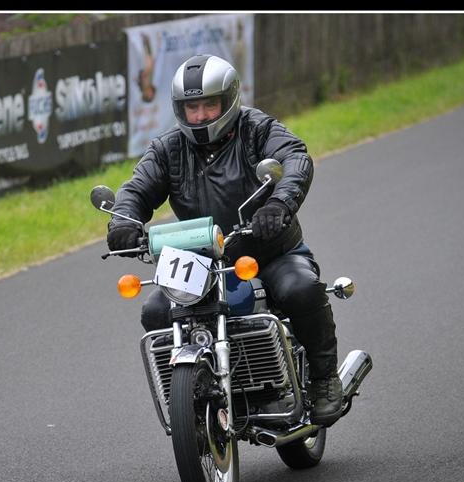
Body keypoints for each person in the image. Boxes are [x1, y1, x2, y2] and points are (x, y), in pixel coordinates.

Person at [106, 54, 341, 426]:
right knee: (155, 311)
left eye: (208, 105)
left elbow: (294, 158)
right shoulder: (168, 149)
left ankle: (325, 378)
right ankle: (191, 395)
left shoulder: (257, 129)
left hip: (269, 250)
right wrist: (123, 220)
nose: (199, 116)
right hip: (203, 260)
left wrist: (279, 203)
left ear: (229, 99)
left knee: (301, 289)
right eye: (191, 107)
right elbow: (137, 188)